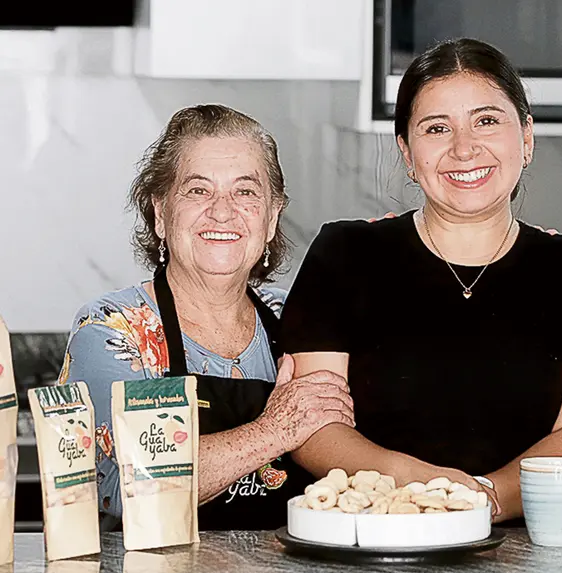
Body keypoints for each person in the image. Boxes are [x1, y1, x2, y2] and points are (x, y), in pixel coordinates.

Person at [280, 38, 562, 521]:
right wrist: (423, 491)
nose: (464, 149)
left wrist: (484, 501)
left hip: (528, 554)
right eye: (436, 128)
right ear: (406, 151)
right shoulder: (345, 254)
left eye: (487, 121)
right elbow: (313, 428)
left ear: (526, 138)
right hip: (372, 542)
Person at [59, 105, 354, 531]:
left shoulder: (295, 318)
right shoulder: (113, 329)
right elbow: (126, 483)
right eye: (198, 190)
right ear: (160, 213)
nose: (222, 211)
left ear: (271, 218)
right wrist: (275, 430)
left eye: (246, 192)